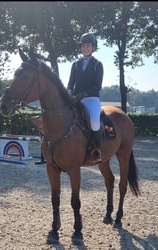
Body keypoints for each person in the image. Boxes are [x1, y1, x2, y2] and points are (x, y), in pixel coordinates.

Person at [67, 32, 104, 164]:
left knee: (94, 123)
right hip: (75, 99)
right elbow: (70, 82)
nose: (86, 48)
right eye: (83, 46)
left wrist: (82, 95)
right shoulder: (75, 64)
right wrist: (69, 92)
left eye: (88, 46)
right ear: (81, 48)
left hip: (91, 99)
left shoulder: (97, 65)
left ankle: (96, 151)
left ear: (93, 48)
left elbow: (97, 86)